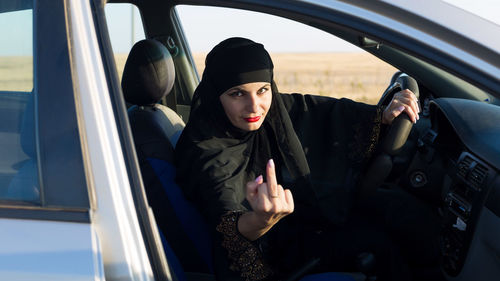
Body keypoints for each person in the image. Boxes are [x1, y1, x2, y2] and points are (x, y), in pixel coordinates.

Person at [175, 37, 440, 281]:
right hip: (265, 257)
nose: (255, 107)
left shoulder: (275, 111)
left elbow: (327, 114)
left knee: (399, 217)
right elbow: (227, 218)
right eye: (237, 94)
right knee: (381, 246)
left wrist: (383, 115)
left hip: (297, 225)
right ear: (216, 94)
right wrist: (259, 221)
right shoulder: (206, 148)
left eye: (263, 90)